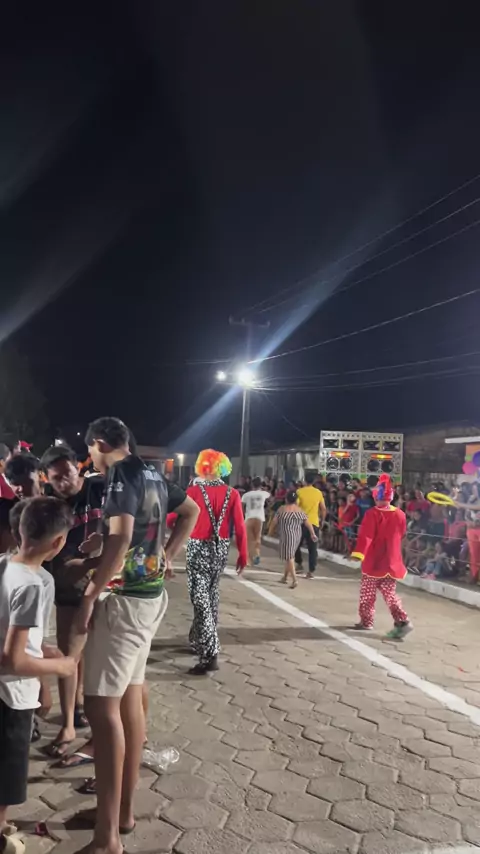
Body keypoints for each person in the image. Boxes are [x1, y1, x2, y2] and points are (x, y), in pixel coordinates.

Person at [70, 417, 198, 854]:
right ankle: (121, 814)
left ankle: (107, 837)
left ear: (100, 443)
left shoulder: (119, 475)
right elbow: (190, 511)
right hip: (150, 596)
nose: (91, 459)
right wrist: (165, 553)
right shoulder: (151, 472)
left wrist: (90, 594)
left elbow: (122, 537)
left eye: (91, 451)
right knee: (128, 701)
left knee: (101, 709)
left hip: (124, 603)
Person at [0, 497, 76, 854]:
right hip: (11, 696)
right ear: (58, 542)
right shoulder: (31, 586)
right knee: (6, 776)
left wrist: (43, 652)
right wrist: (60, 667)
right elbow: (14, 660)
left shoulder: (4, 565)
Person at [39, 444, 105, 763]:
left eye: (67, 473)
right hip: (67, 587)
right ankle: (68, 725)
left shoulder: (100, 488)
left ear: (77, 466)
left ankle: (84, 714)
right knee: (69, 654)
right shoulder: (50, 505)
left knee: (94, 656)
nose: (64, 481)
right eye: (57, 478)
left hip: (104, 583)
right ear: (47, 479)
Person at [185, 449, 247, 676]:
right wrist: (243, 554)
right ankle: (196, 638)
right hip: (220, 549)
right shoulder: (232, 493)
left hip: (198, 547)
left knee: (199, 597)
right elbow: (240, 526)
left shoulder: (193, 491)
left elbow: (174, 519)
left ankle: (210, 653)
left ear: (203, 467)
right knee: (211, 595)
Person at [351, 474, 413, 638]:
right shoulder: (400, 514)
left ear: (376, 496)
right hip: (391, 560)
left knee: (367, 593)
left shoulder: (372, 513)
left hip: (374, 561)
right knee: (390, 594)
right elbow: (402, 534)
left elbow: (366, 536)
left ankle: (367, 621)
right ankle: (403, 620)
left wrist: (358, 554)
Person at [272, 489, 317, 588]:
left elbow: (274, 522)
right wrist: (313, 533)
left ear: (286, 499)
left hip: (286, 535)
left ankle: (294, 580)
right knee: (289, 556)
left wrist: (270, 531)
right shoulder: (299, 510)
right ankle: (284, 577)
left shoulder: (282, 509)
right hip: (297, 535)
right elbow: (308, 523)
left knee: (289, 557)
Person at [295, 473, 326, 578]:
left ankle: (299, 563)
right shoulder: (318, 493)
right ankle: (311, 571)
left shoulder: (299, 491)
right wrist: (322, 521)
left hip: (301, 522)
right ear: (314, 482)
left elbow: (295, 506)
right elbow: (323, 509)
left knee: (295, 545)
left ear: (304, 481)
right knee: (312, 548)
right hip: (314, 523)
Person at [242, 477, 269, 566]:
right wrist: (263, 488)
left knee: (249, 540)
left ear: (251, 485)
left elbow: (242, 506)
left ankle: (249, 560)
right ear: (260, 485)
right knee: (257, 538)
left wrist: (242, 516)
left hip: (249, 517)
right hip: (259, 518)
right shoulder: (264, 494)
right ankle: (256, 554)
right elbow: (270, 496)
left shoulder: (246, 495)